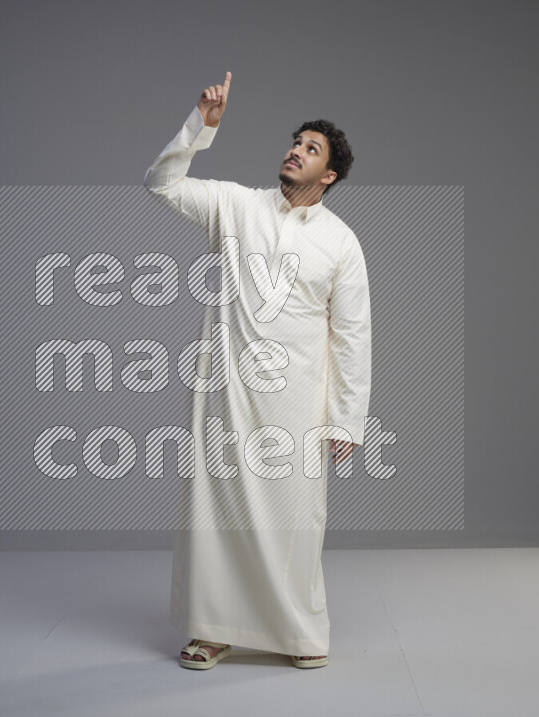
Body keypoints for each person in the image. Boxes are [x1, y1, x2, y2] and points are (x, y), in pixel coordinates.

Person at [143, 72, 371, 669]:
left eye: (311, 148)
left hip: (297, 402)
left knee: (295, 519)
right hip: (226, 396)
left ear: (330, 176)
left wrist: (347, 419)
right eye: (296, 140)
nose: (296, 149)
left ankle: (297, 633)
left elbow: (351, 335)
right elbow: (162, 183)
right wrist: (201, 129)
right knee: (218, 516)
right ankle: (213, 629)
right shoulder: (237, 205)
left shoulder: (342, 243)